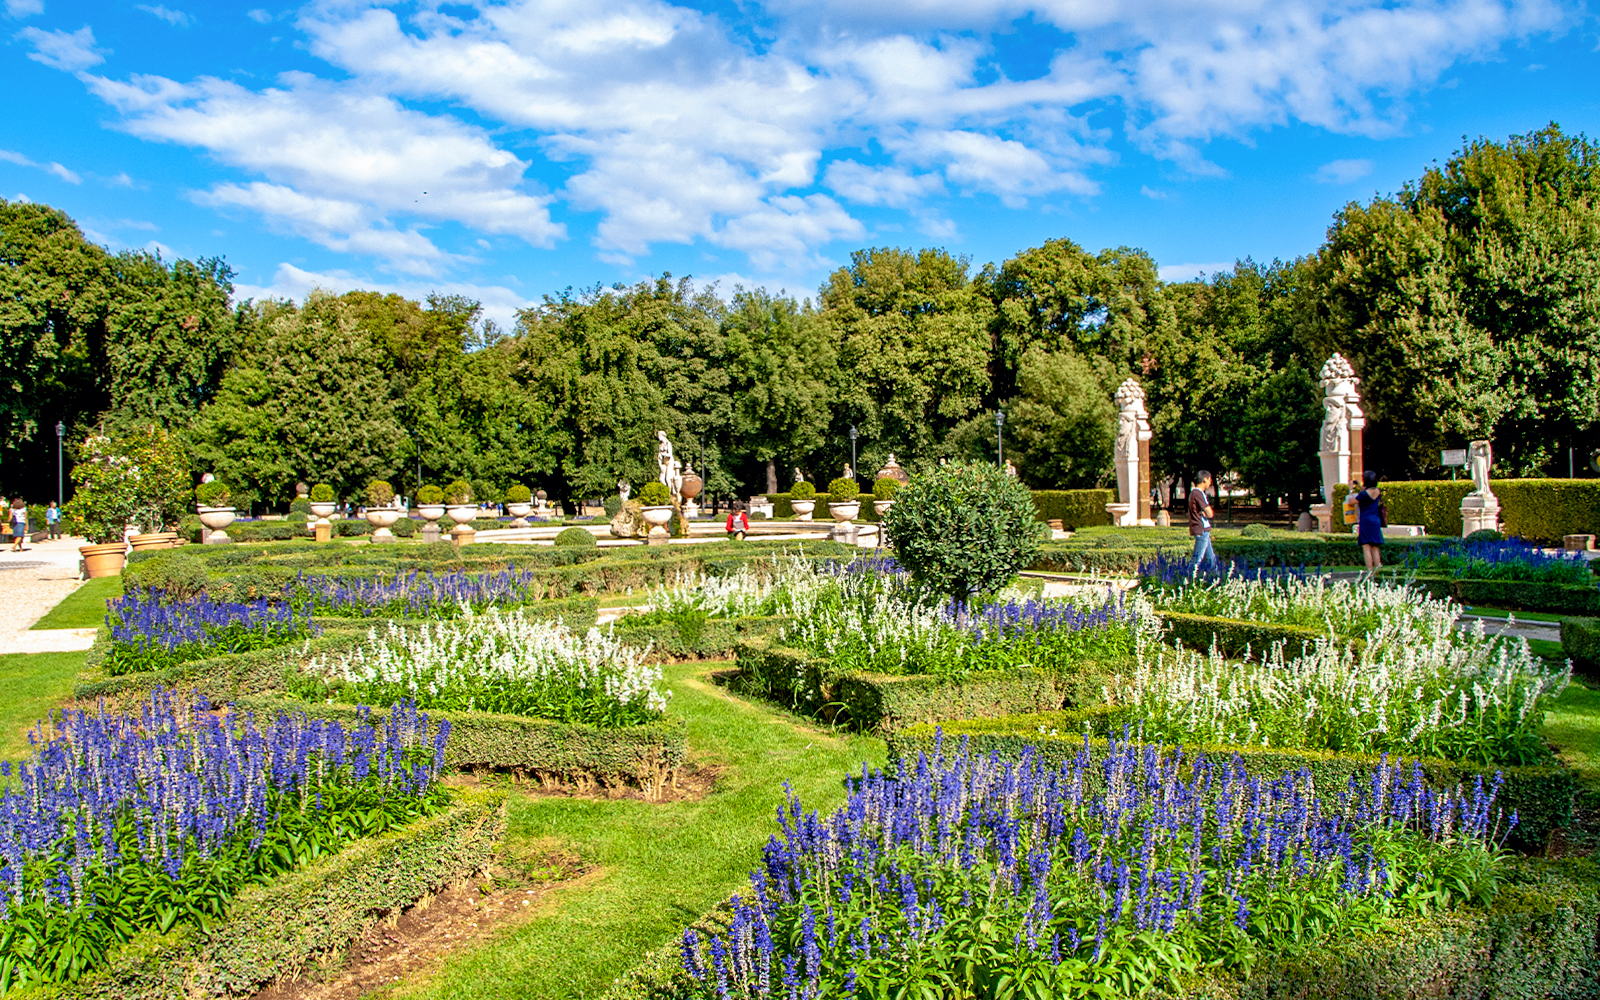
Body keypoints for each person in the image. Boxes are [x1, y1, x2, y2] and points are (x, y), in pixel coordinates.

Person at [1356, 470, 1385, 576]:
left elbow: (1353, 501)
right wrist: (1359, 486)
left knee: (1366, 546)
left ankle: (1369, 571)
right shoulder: (1377, 491)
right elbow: (1368, 493)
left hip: (1366, 520)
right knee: (1375, 546)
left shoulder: (1363, 494)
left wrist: (1351, 490)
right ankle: (1378, 569)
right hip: (1375, 520)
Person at [1188, 470, 1217, 573]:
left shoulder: (1194, 493)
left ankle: (1216, 579)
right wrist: (1207, 512)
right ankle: (1186, 581)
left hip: (1202, 529)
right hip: (1202, 529)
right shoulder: (1198, 494)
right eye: (1209, 480)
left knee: (1211, 559)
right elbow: (1209, 513)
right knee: (1196, 560)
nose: (1210, 482)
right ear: (1204, 480)